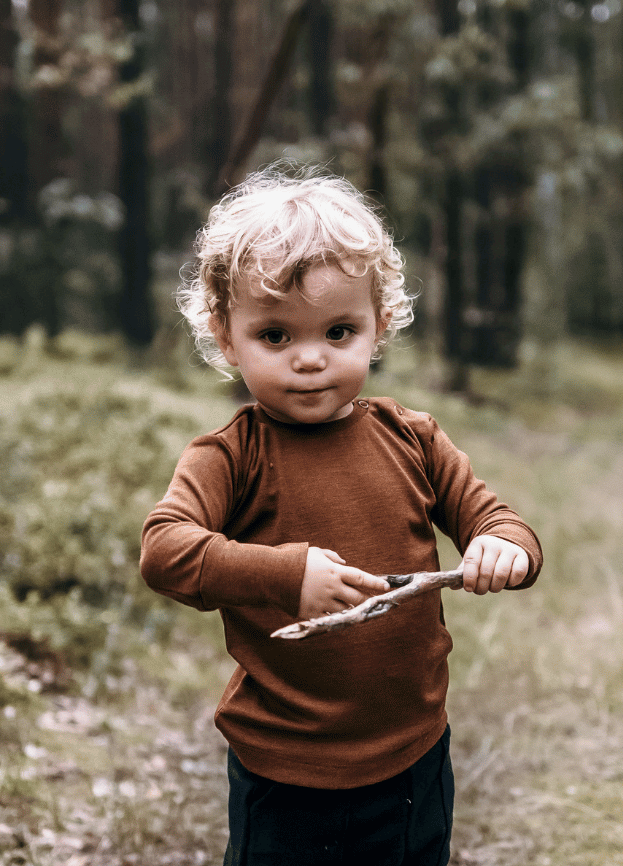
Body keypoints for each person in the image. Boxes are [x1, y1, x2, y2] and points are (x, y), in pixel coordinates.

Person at [140, 166, 543, 866]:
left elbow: (500, 523)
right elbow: (164, 551)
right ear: (225, 337)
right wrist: (286, 573)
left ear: (378, 326)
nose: (309, 360)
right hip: (284, 770)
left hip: (413, 758)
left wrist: (501, 549)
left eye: (337, 331)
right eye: (273, 335)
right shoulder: (229, 456)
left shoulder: (412, 438)